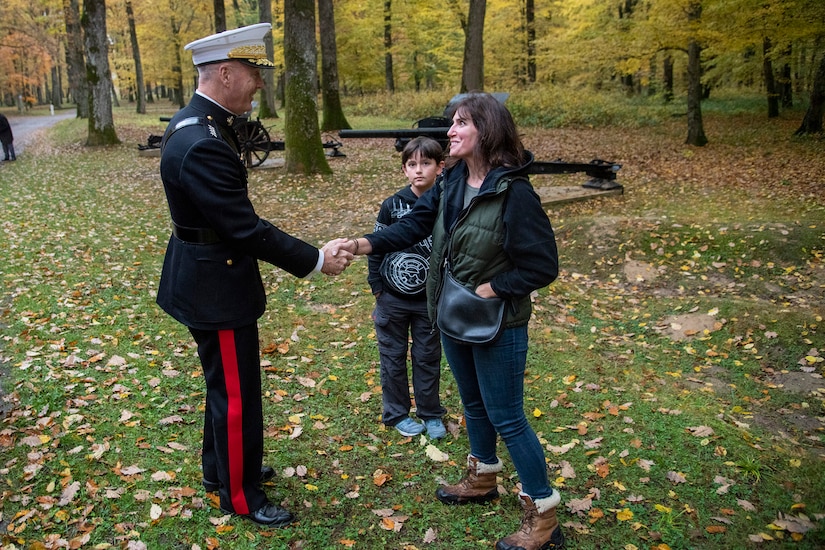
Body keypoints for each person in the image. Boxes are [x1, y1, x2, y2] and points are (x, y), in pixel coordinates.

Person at [340, 93, 563, 550]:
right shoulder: (453, 181)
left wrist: (495, 288)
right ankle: (482, 477)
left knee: (508, 416)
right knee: (473, 405)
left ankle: (543, 514)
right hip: (451, 314)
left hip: (498, 323)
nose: (451, 131)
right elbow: (414, 225)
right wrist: (361, 244)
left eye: (461, 123)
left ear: (487, 129)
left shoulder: (514, 192)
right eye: (452, 123)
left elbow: (542, 265)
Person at [156, 23, 352, 528]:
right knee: (237, 392)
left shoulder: (200, 124)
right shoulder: (202, 139)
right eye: (253, 73)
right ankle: (239, 495)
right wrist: (314, 259)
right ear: (224, 72)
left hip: (207, 277)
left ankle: (220, 469)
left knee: (225, 385)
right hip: (215, 286)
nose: (260, 84)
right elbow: (245, 228)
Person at [368, 137, 447, 439]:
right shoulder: (392, 205)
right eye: (411, 164)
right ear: (404, 169)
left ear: (441, 167)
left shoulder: (445, 203)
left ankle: (430, 413)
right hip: (393, 300)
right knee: (392, 356)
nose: (418, 170)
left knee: (428, 357)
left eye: (426, 163)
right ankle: (397, 413)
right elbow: (377, 247)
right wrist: (377, 287)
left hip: (430, 301)